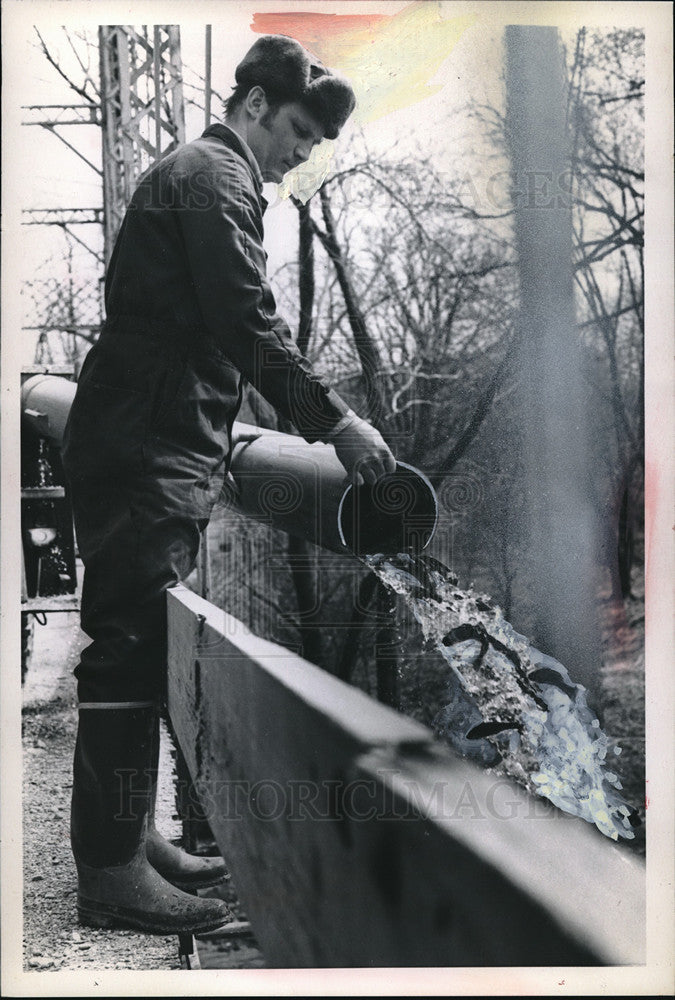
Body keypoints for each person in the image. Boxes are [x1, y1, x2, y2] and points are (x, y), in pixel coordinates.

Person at [61, 34, 396, 935]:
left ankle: (127, 839)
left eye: (312, 144)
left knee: (137, 634)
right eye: (294, 130)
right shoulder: (214, 177)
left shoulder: (207, 171)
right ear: (253, 105)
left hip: (154, 433)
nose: (300, 154)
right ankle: (111, 871)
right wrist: (336, 422)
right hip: (147, 442)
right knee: (129, 644)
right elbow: (245, 321)